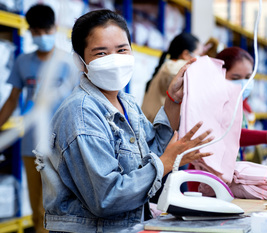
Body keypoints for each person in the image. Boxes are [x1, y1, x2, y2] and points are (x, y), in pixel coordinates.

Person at [33, 9, 214, 232]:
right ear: (80, 61)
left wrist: (173, 101)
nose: (115, 60)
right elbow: (106, 198)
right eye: (101, 53)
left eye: (121, 50)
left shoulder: (125, 102)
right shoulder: (81, 113)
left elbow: (151, 151)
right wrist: (165, 162)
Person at [0, 4, 75, 233]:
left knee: (65, 208)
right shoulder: (23, 62)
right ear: (30, 31)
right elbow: (12, 100)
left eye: (46, 30)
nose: (42, 36)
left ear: (55, 28)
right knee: (38, 209)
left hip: (63, 145)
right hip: (31, 145)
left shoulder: (70, 63)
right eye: (37, 31)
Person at [216, 46, 267, 167]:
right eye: (235, 78)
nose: (244, 83)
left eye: (248, 77)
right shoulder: (213, 104)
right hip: (206, 179)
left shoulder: (242, 103)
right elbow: (230, 134)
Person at [141, 32, 202, 123]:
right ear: (185, 54)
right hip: (155, 131)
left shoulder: (167, 66)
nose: (200, 59)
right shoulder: (170, 68)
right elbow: (188, 69)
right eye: (199, 55)